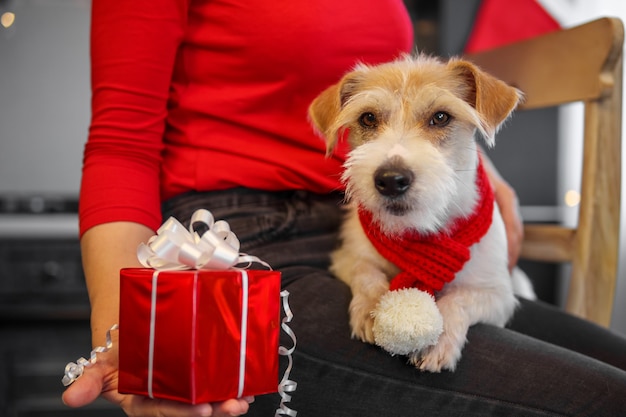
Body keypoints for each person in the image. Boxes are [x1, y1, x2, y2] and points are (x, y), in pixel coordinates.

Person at [62, 1, 626, 416]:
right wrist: (132, 336)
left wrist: (474, 165)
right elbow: (120, 144)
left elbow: (408, 91)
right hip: (240, 253)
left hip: (383, 223)